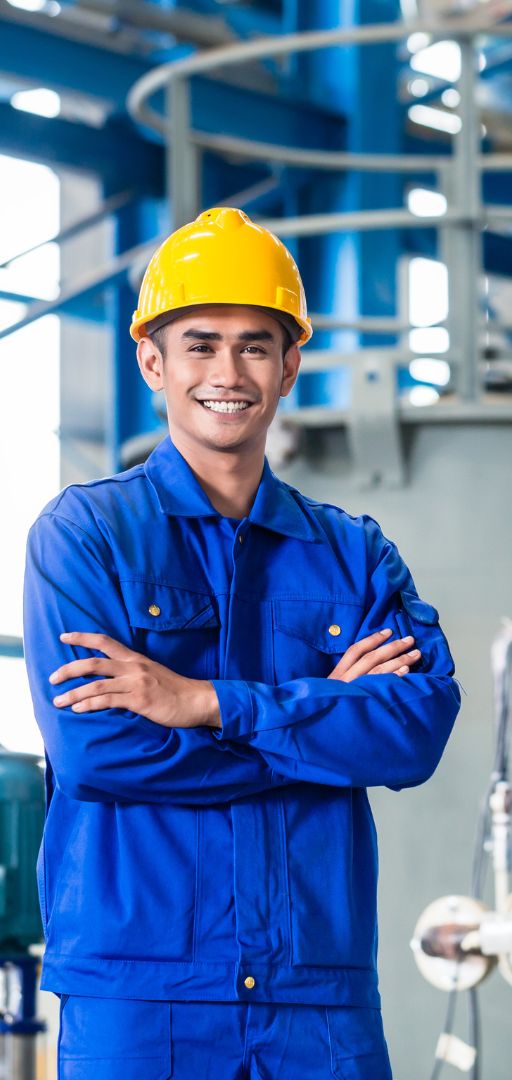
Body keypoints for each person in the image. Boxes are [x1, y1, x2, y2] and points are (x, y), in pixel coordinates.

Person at [22, 207, 461, 1079]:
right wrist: (323, 731)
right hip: (142, 993)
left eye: (255, 345)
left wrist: (206, 703)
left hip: (317, 995)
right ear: (153, 360)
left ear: (291, 363)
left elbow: (415, 732)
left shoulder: (352, 552)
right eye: (201, 344)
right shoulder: (87, 536)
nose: (228, 372)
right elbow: (99, 754)